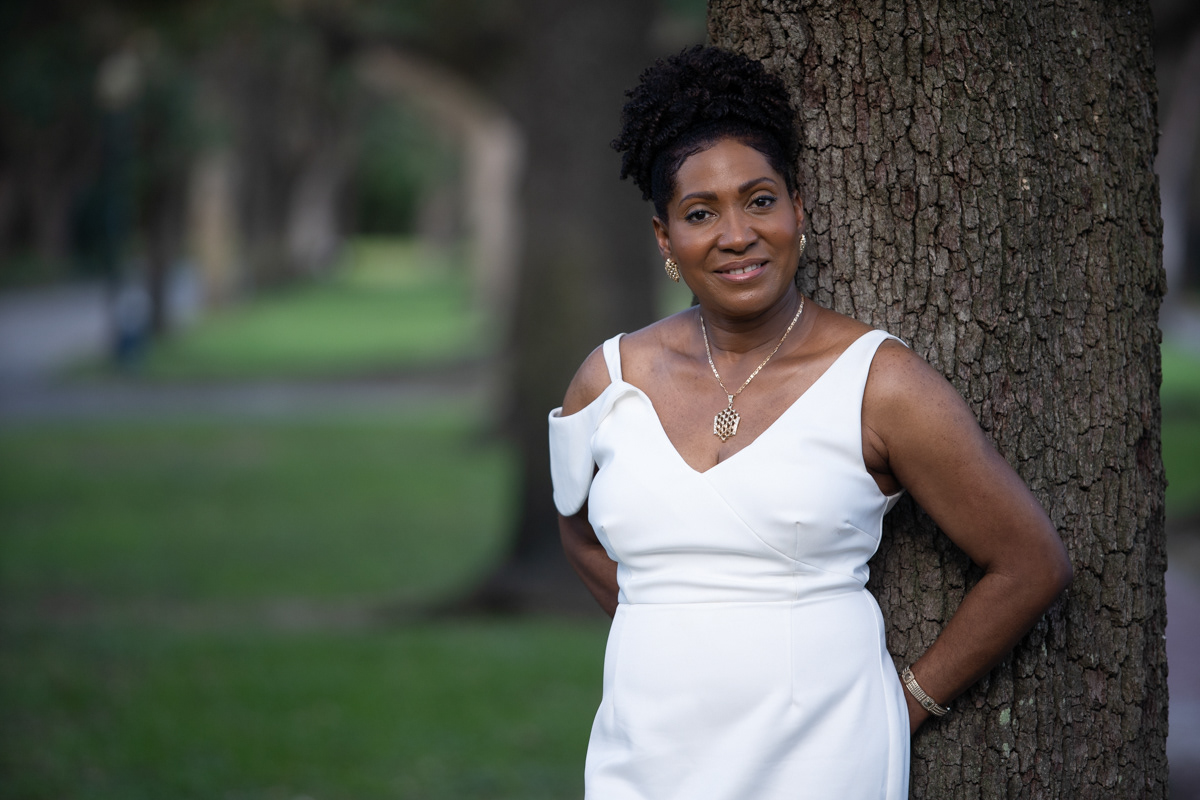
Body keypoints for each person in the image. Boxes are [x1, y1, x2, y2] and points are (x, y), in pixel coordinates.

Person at [547, 46, 1072, 800]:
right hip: (645, 753)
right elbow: (576, 528)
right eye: (701, 213)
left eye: (760, 200)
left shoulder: (880, 383)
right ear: (665, 238)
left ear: (798, 208)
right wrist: (661, 629)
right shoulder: (608, 379)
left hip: (824, 755)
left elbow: (1030, 563)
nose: (737, 234)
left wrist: (905, 704)